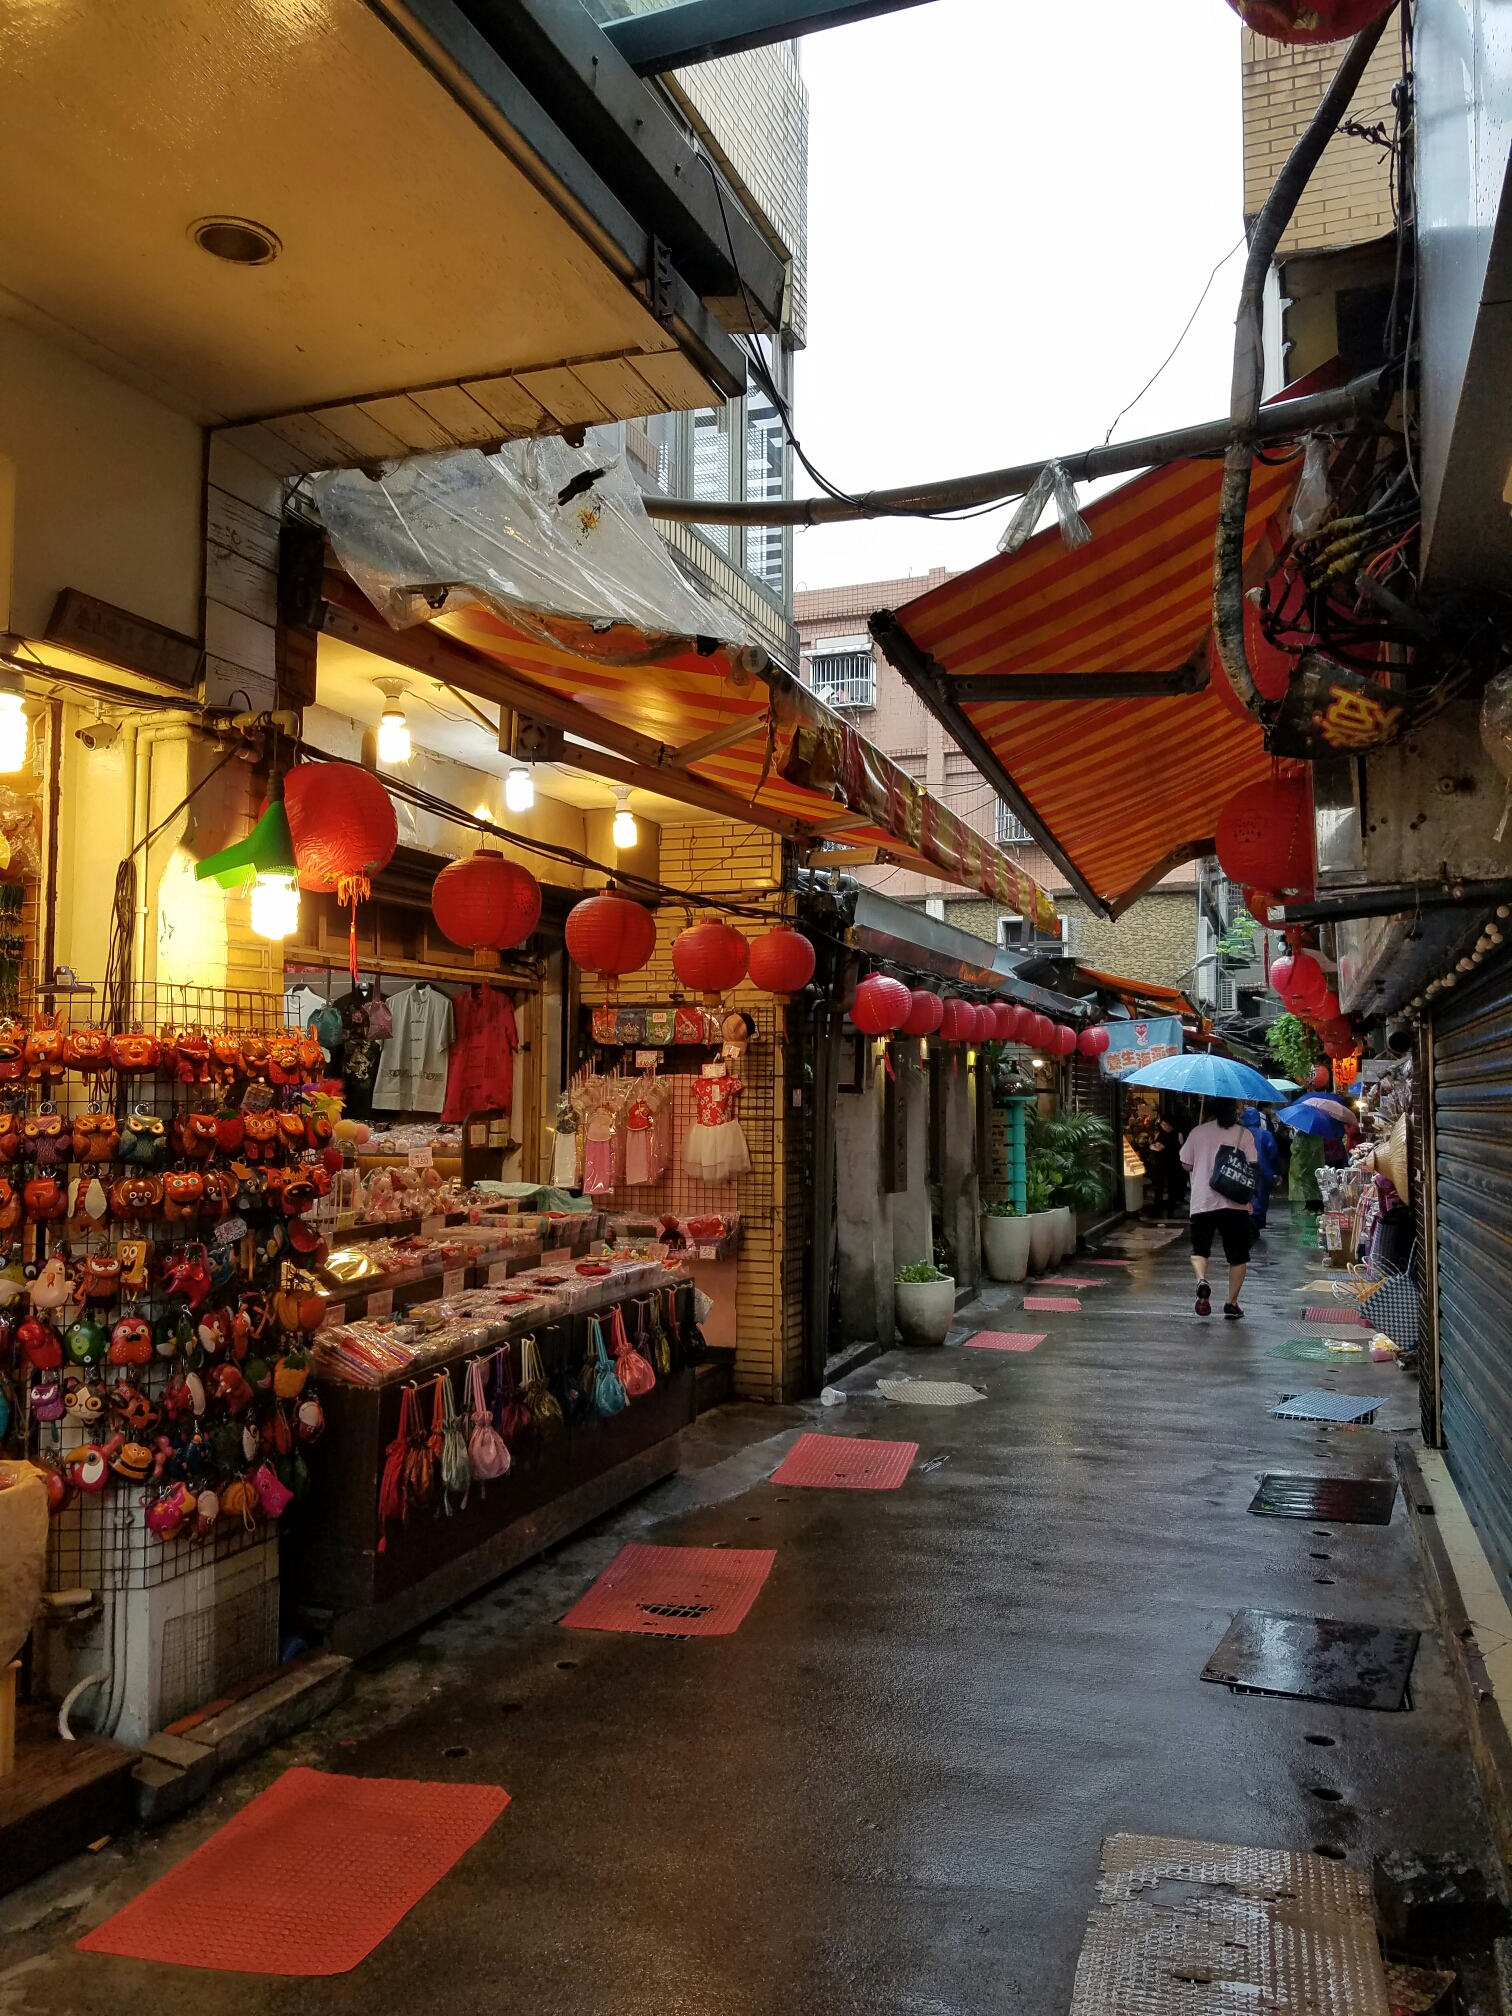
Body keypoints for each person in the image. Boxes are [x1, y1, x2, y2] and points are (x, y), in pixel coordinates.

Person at [1180, 1097, 1260, 1319]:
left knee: (1199, 1251)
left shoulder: (1198, 1132)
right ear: (1234, 1110)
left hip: (1203, 1201)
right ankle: (1231, 1303)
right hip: (1234, 1202)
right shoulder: (1244, 1134)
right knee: (1238, 1257)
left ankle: (1201, 1281)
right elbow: (1253, 1166)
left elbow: (1186, 1164)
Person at [1241, 1105, 1281, 1233]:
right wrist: (1278, 1172)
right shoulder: (1266, 1135)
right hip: (1264, 1171)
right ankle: (1257, 1222)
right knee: (1262, 1198)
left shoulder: (1239, 1135)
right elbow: (1273, 1154)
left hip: (1243, 1170)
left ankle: (1246, 1221)